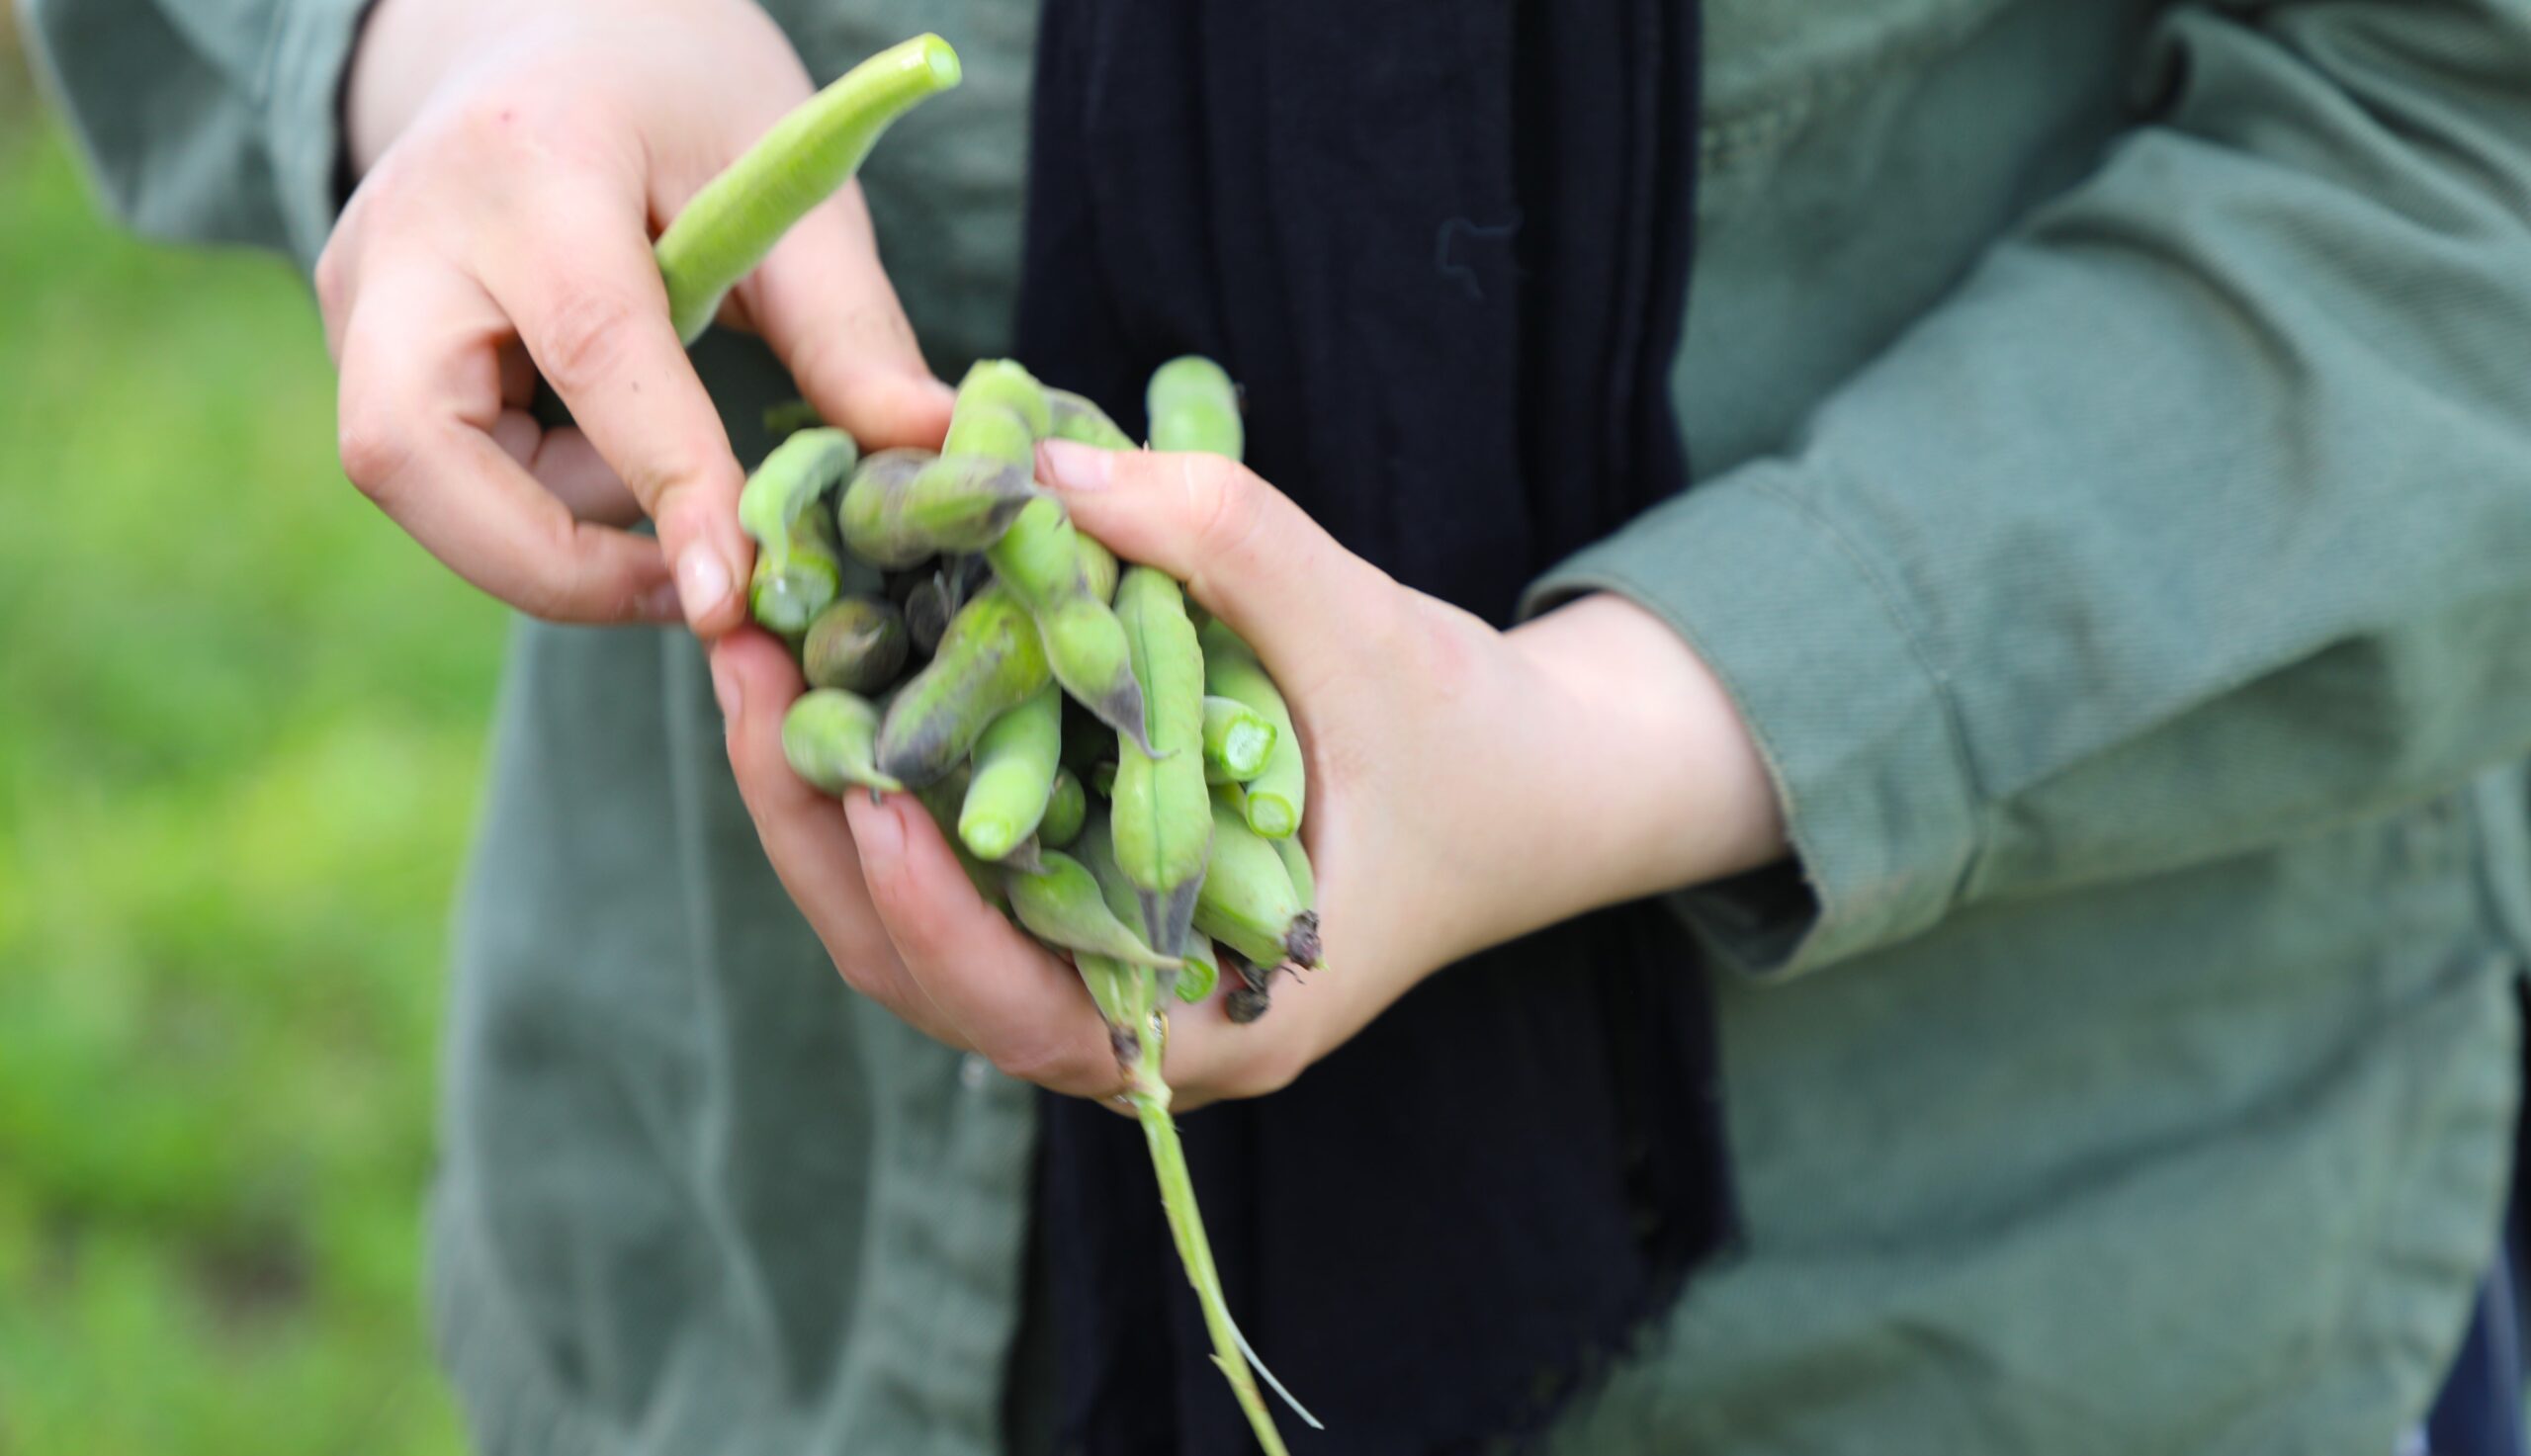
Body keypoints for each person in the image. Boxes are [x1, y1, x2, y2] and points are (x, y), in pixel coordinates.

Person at [27, 0, 2531, 1451]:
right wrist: (449, 35)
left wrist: (1619, 731)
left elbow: (2461, 147)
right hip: (757, 1259)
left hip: (2022, 1296)